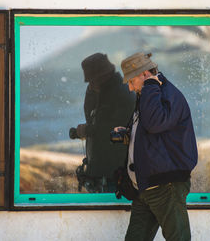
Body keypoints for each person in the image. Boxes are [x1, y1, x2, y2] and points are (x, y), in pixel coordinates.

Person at [116, 52, 198, 241]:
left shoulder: (163, 92)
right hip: (146, 187)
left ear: (145, 74)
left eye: (131, 81)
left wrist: (151, 85)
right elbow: (155, 131)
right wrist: (129, 133)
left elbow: (155, 123)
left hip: (165, 186)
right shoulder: (150, 93)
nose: (129, 88)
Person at [69, 53, 135, 193]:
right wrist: (92, 93)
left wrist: (88, 131)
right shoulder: (104, 91)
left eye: (92, 81)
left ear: (104, 77)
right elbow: (93, 118)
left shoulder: (122, 93)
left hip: (115, 172)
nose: (90, 85)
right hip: (102, 171)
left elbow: (118, 130)